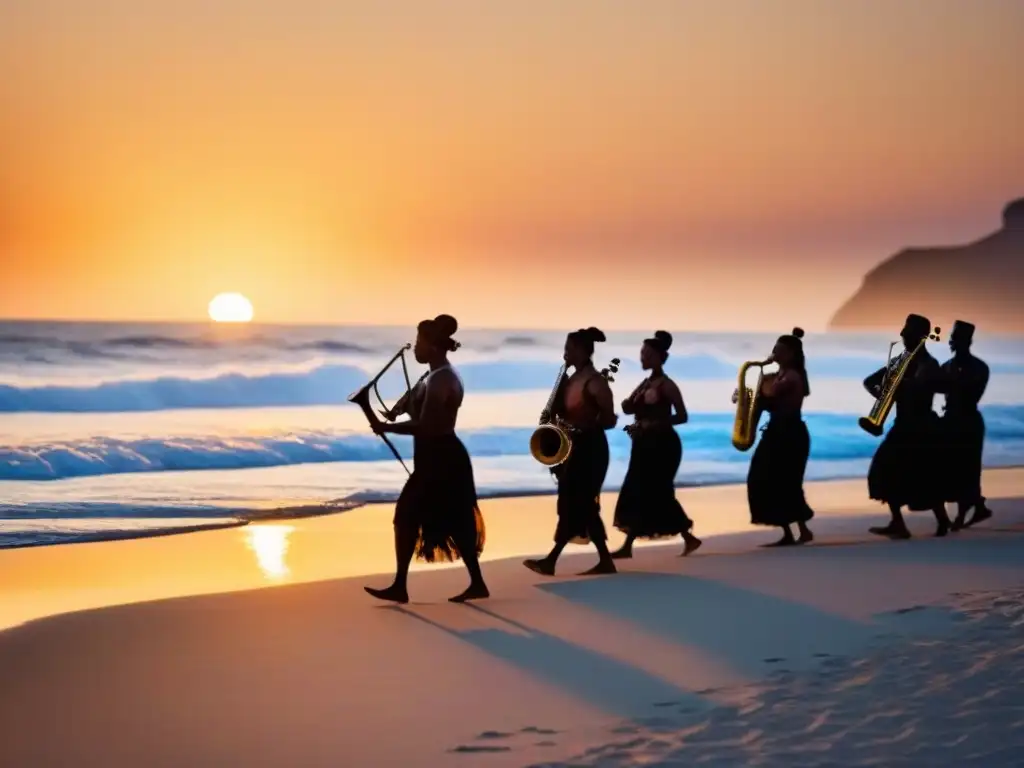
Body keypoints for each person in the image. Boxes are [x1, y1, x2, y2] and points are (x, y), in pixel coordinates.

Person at [362, 314, 489, 604]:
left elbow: (428, 427)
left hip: (442, 459)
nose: (415, 347)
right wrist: (398, 410)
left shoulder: (443, 378)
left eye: (419, 342)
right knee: (454, 520)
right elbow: (416, 408)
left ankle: (400, 586)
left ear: (432, 346)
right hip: (435, 458)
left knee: (408, 515)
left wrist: (387, 428)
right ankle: (476, 583)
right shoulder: (431, 375)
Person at [523, 327, 619, 576]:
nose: (565, 353)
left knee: (580, 502)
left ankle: (552, 560)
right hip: (573, 448)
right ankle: (603, 561)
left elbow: (610, 421)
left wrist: (581, 425)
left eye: (569, 349)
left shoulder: (595, 382)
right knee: (575, 503)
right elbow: (561, 413)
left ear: (581, 350)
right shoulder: (570, 379)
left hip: (591, 448)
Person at [611, 331, 702, 558]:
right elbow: (630, 408)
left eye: (647, 354)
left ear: (660, 357)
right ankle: (687, 537)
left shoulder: (667, 385)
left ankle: (629, 546)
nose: (642, 358)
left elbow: (682, 416)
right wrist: (627, 405)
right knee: (640, 491)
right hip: (643, 443)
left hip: (663, 445)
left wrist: (657, 421)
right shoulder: (645, 383)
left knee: (656, 491)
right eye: (642, 353)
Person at [864, 313, 951, 539]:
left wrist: (896, 387)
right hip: (902, 426)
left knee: (924, 475)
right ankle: (898, 523)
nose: (902, 334)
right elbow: (869, 381)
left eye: (908, 331)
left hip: (922, 428)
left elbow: (927, 386)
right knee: (885, 470)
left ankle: (942, 520)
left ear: (921, 336)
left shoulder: (928, 364)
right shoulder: (900, 361)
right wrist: (884, 393)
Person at [743, 328, 816, 546]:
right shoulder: (775, 376)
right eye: (774, 349)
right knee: (765, 480)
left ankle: (800, 531)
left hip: (790, 434)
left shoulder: (792, 377)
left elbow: (770, 396)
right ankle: (793, 531)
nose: (775, 354)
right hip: (776, 433)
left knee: (786, 483)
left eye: (780, 351)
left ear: (792, 354)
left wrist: (752, 392)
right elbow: (763, 400)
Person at [941, 320, 993, 530]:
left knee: (969, 468)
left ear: (968, 342)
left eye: (958, 340)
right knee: (954, 468)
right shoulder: (947, 366)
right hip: (952, 420)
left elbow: (971, 392)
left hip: (968, 421)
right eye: (953, 339)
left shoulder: (979, 368)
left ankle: (965, 513)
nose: (953, 343)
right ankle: (974, 507)